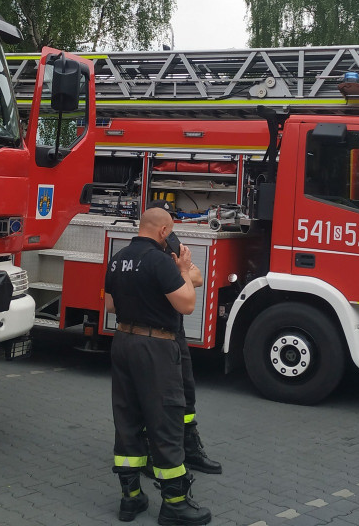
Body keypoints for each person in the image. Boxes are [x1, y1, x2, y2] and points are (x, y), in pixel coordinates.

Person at [105, 206, 212, 525]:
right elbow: (188, 305)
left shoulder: (118, 258)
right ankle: (175, 503)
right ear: (164, 231)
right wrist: (184, 269)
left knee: (127, 418)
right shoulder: (160, 261)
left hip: (122, 342)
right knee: (165, 420)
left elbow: (110, 304)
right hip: (156, 347)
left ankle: (131, 498)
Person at [145, 201, 223, 477]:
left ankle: (189, 447)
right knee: (157, 397)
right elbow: (187, 280)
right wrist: (181, 274)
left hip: (175, 333)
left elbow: (198, 277)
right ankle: (152, 452)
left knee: (186, 390)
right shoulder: (150, 255)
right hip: (156, 335)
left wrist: (181, 273)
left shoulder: (172, 250)